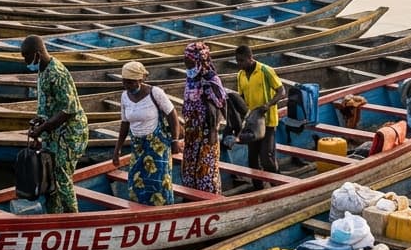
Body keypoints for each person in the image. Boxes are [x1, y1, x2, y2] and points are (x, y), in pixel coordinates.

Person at [20, 35, 89, 212]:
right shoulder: (42, 70)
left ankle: (73, 218)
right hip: (54, 133)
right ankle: (54, 215)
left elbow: (68, 110)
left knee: (62, 177)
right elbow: (49, 104)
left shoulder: (56, 73)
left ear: (37, 54)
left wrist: (42, 128)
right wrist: (39, 120)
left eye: (26, 56)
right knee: (50, 177)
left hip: (70, 133)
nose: (25, 61)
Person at [112, 60, 181, 205]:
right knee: (136, 180)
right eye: (124, 82)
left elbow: (172, 115)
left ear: (141, 79)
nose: (127, 86)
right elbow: (125, 123)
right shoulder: (125, 96)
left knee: (159, 182)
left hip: (157, 146)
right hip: (138, 146)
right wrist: (117, 149)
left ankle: (164, 211)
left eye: (130, 82)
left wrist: (175, 140)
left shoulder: (155, 93)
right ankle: (141, 210)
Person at [234, 43, 285, 188]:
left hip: (267, 121)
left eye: (242, 61)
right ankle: (258, 188)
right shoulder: (240, 75)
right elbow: (242, 98)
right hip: (252, 123)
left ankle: (278, 185)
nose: (239, 64)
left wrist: (267, 105)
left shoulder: (265, 70)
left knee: (267, 157)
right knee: (252, 158)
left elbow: (281, 91)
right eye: (237, 61)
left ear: (250, 58)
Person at [181, 41, 227, 194]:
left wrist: (214, 130)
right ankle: (191, 196)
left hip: (207, 132)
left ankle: (209, 198)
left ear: (197, 60)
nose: (185, 63)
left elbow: (220, 104)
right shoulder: (191, 77)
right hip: (192, 132)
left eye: (188, 60)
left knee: (205, 169)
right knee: (190, 165)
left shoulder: (210, 78)